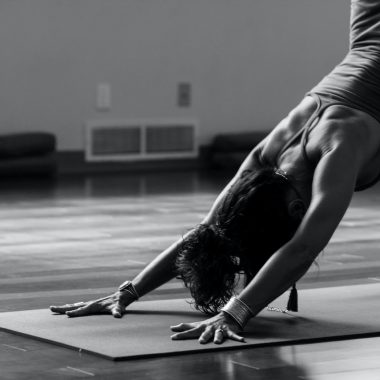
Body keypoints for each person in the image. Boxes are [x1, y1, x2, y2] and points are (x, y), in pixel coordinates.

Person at [51, 0, 380, 345]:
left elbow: (301, 249)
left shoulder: (333, 151)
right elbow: (208, 231)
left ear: (297, 211)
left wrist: (235, 312)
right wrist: (128, 291)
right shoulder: (268, 158)